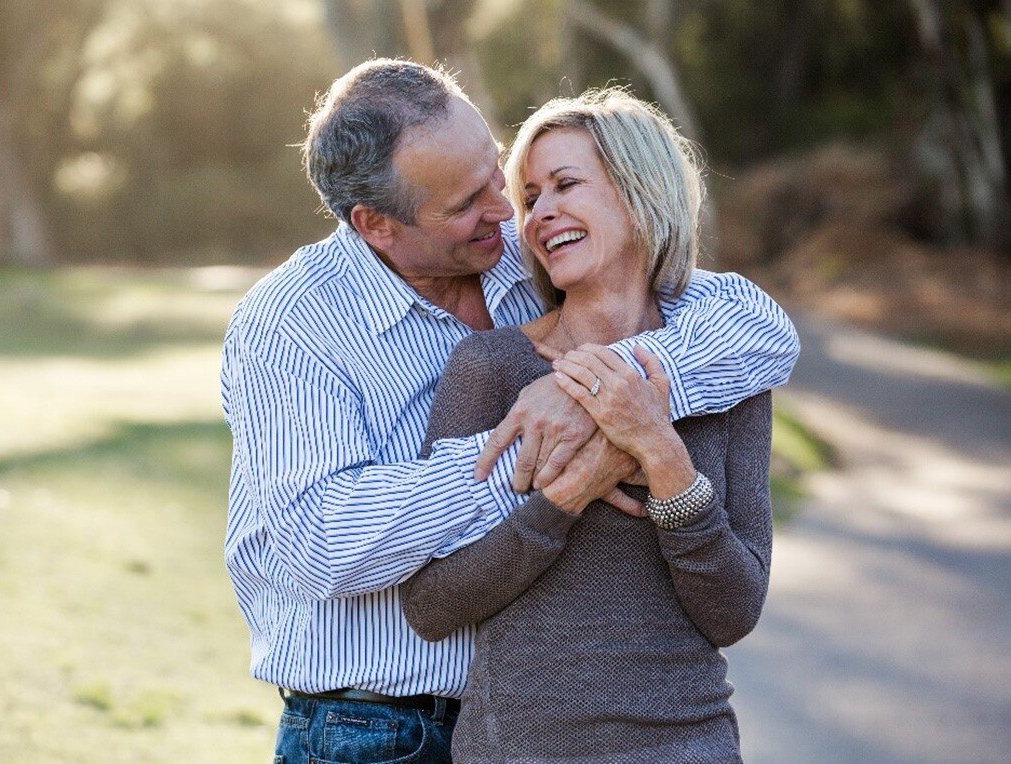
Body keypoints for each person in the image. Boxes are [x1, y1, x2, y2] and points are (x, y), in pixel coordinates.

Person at [220, 59, 797, 763]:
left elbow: (755, 325)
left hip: (534, 720)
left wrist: (600, 391)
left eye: (496, 173)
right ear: (376, 225)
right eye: (468, 200)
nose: (506, 209)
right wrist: (542, 459)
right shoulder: (291, 324)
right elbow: (321, 541)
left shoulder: (524, 263)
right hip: (371, 729)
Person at [398, 89, 771, 761]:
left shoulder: (725, 369)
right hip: (521, 749)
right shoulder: (493, 366)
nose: (539, 214)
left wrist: (659, 450)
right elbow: (431, 605)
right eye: (531, 196)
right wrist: (567, 495)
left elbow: (734, 611)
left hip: (688, 745)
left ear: (638, 192)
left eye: (565, 185)